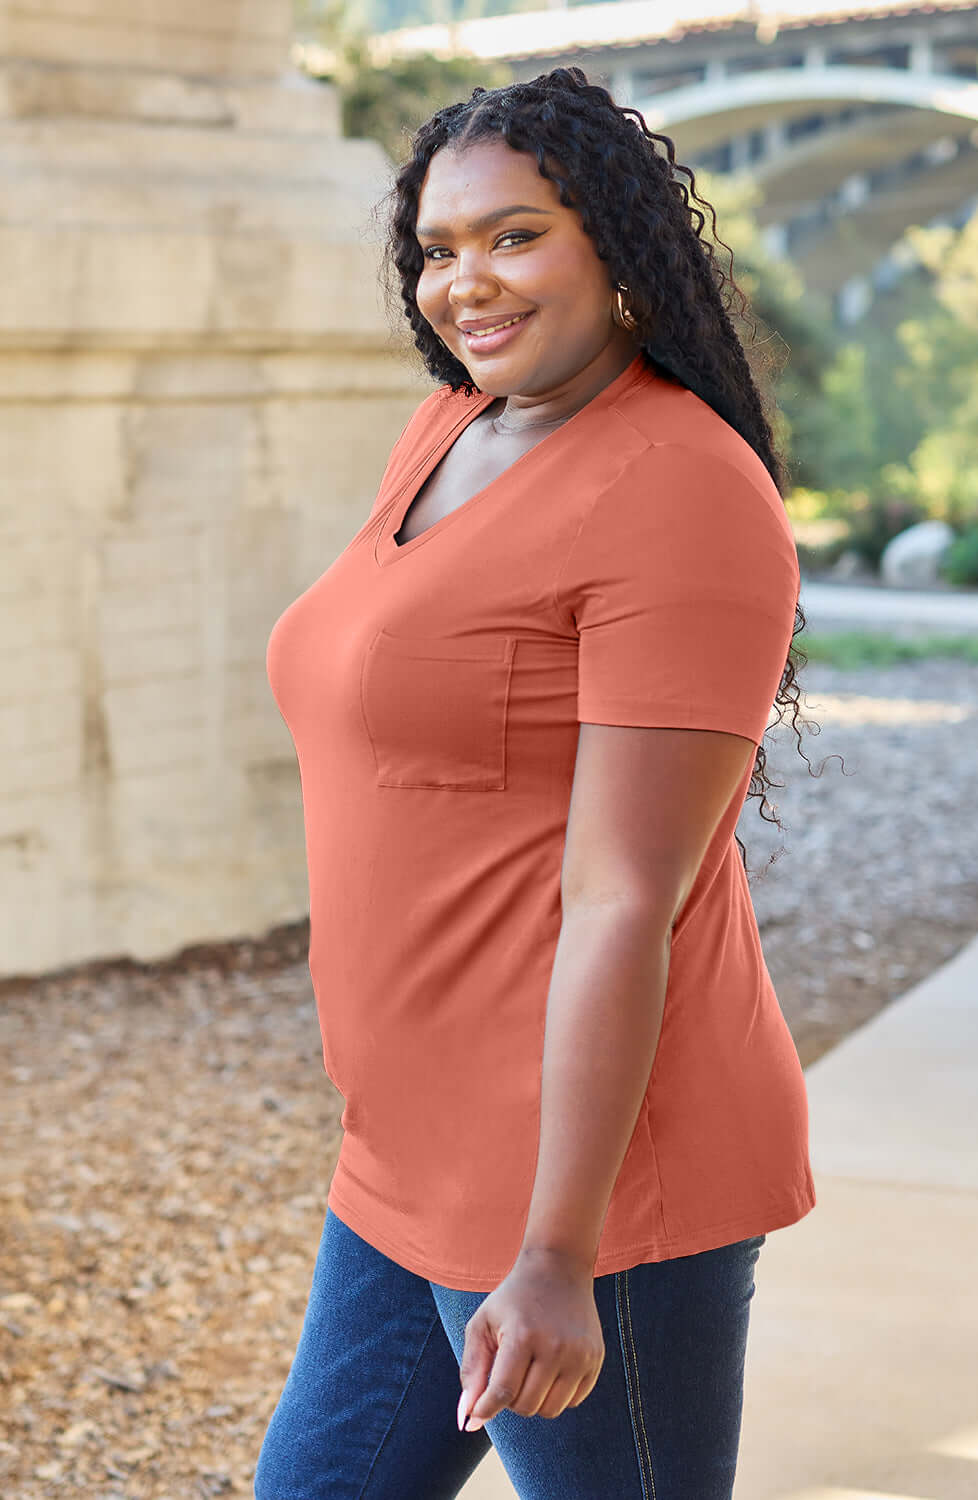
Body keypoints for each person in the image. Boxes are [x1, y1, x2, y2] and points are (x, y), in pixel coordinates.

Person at [255, 64, 817, 1500]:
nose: (466, 284)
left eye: (516, 237)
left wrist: (557, 1253)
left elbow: (628, 893)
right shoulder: (454, 427)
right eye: (440, 249)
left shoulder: (680, 490)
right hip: (405, 1156)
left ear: (620, 253)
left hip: (588, 1196)